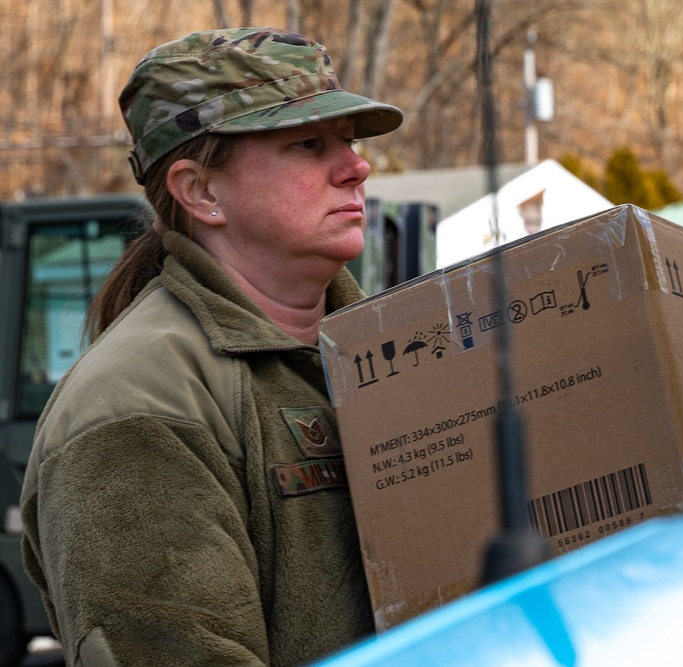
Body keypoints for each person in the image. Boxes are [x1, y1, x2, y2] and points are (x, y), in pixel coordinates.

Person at [20, 26, 403, 666]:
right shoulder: (136, 410)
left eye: (351, 142)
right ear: (200, 191)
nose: (356, 168)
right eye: (309, 144)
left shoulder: (395, 352)